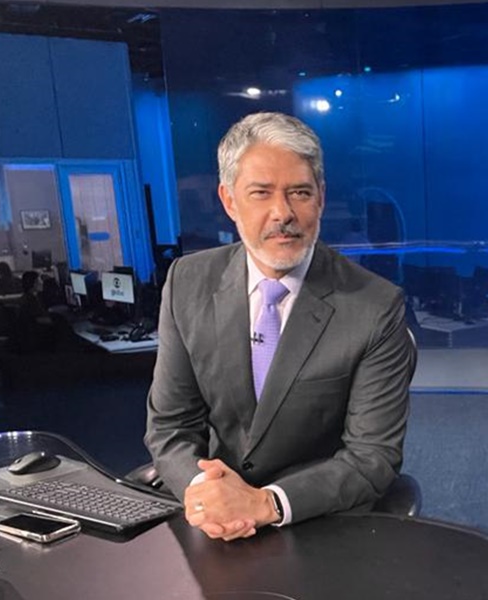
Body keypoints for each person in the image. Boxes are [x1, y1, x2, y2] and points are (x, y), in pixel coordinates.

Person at [145, 112, 417, 541]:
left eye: (299, 193)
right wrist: (206, 494)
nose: (283, 213)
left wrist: (265, 504)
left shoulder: (375, 306)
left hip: (318, 522)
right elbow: (170, 426)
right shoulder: (187, 283)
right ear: (229, 200)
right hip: (215, 520)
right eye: (261, 193)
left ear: (321, 198)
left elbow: (372, 457)